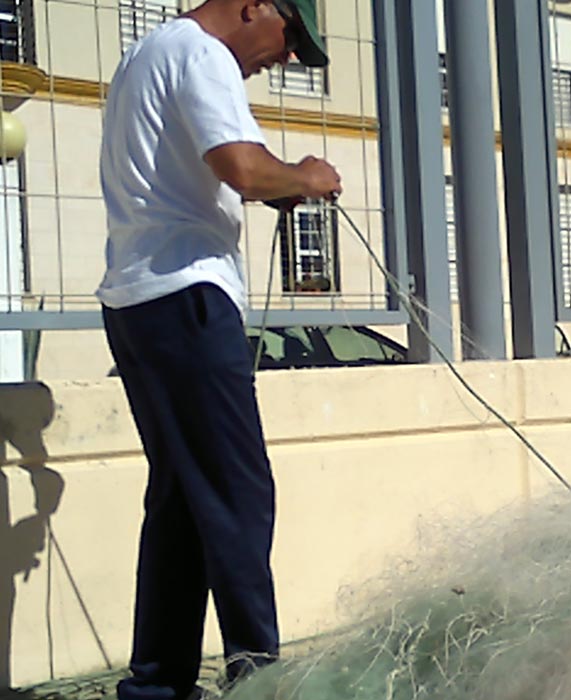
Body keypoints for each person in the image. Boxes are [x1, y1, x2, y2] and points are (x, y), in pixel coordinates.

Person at [96, 0, 341, 697]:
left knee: (181, 499)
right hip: (188, 299)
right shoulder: (202, 55)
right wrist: (305, 177)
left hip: (136, 300)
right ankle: (259, 683)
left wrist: (276, 181)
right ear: (254, 6)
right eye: (291, 35)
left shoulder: (144, 55)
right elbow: (243, 167)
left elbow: (196, 173)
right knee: (238, 492)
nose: (288, 56)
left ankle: (157, 686)